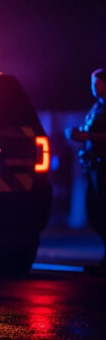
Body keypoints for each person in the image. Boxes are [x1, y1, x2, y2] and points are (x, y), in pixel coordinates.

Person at [65, 68, 106, 275]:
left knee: (102, 211)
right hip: (93, 166)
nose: (93, 87)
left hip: (103, 165)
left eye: (96, 83)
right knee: (95, 212)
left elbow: (97, 134)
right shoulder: (97, 106)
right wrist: (77, 133)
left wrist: (89, 137)